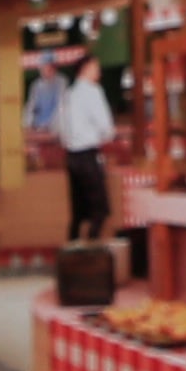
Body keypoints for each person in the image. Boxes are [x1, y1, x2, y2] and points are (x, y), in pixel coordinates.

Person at [46, 38, 118, 243]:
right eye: (96, 67)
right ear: (85, 69)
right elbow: (105, 126)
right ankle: (92, 248)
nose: (99, 72)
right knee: (100, 209)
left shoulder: (67, 95)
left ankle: (72, 249)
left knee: (78, 212)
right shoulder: (92, 92)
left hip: (71, 157)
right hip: (88, 155)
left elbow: (55, 127)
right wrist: (106, 135)